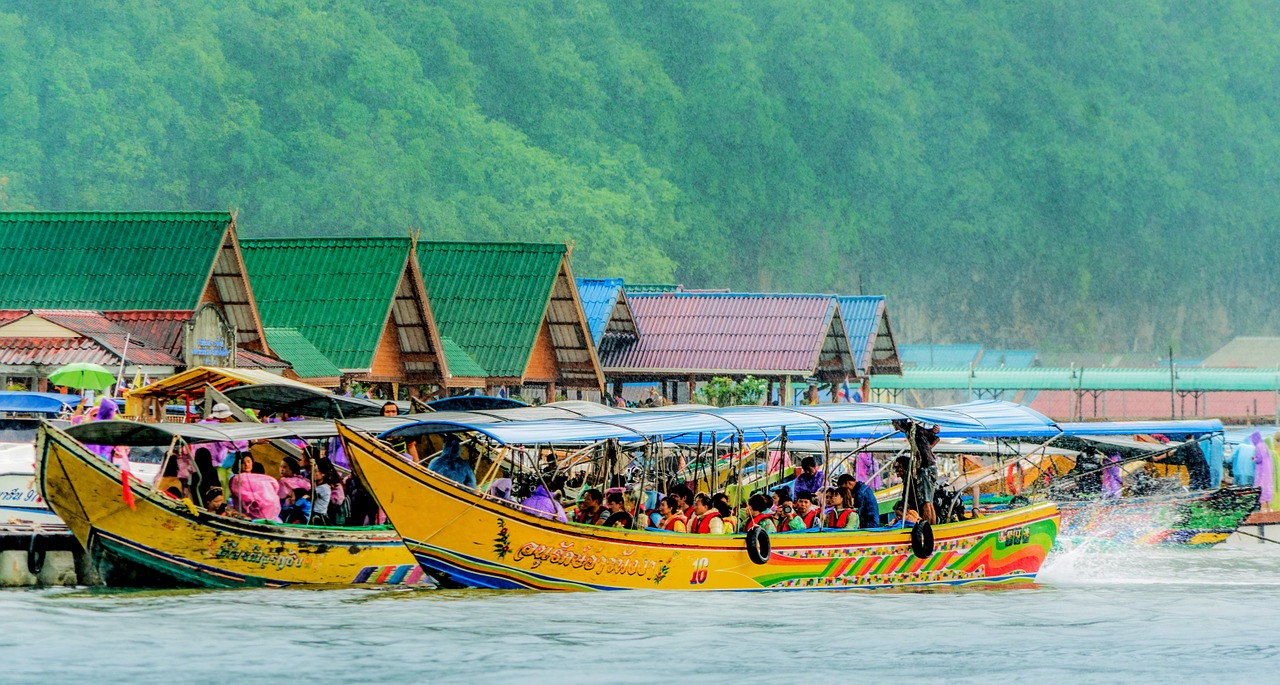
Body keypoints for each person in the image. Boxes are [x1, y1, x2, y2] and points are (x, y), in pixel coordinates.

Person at [894, 419, 939, 524]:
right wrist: (927, 449)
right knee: (929, 501)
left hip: (926, 467)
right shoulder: (911, 430)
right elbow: (934, 437)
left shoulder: (910, 427)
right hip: (930, 466)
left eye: (894, 423)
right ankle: (933, 526)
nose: (894, 426)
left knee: (926, 502)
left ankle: (927, 527)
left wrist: (926, 449)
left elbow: (933, 435)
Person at [1251, 431, 1274, 511]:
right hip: (1268, 470)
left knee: (1261, 488)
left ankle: (1262, 509)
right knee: (1267, 487)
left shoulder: (1258, 446)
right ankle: (1268, 508)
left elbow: (1259, 459)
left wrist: (1254, 459)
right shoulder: (1264, 445)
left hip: (1261, 471)